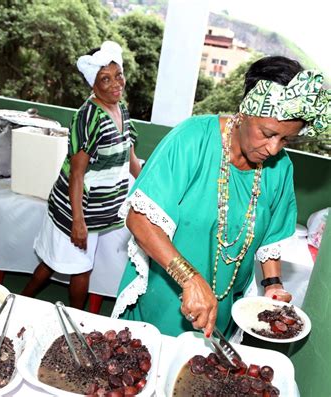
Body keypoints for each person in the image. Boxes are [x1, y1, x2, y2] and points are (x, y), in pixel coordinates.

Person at [112, 56, 330, 338]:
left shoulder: (280, 169)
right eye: (267, 133)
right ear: (245, 111)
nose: (274, 149)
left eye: (286, 140)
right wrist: (189, 279)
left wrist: (273, 285)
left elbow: (270, 240)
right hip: (162, 301)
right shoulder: (193, 139)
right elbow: (140, 220)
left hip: (225, 311)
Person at [21, 41, 142, 309]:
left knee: (55, 262)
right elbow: (77, 173)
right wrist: (78, 221)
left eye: (118, 75)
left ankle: (21, 300)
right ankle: (73, 318)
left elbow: (130, 156)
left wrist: (150, 190)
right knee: (79, 268)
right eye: (105, 80)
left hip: (100, 210)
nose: (115, 84)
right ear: (93, 85)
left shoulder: (120, 109)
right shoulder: (88, 116)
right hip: (77, 209)